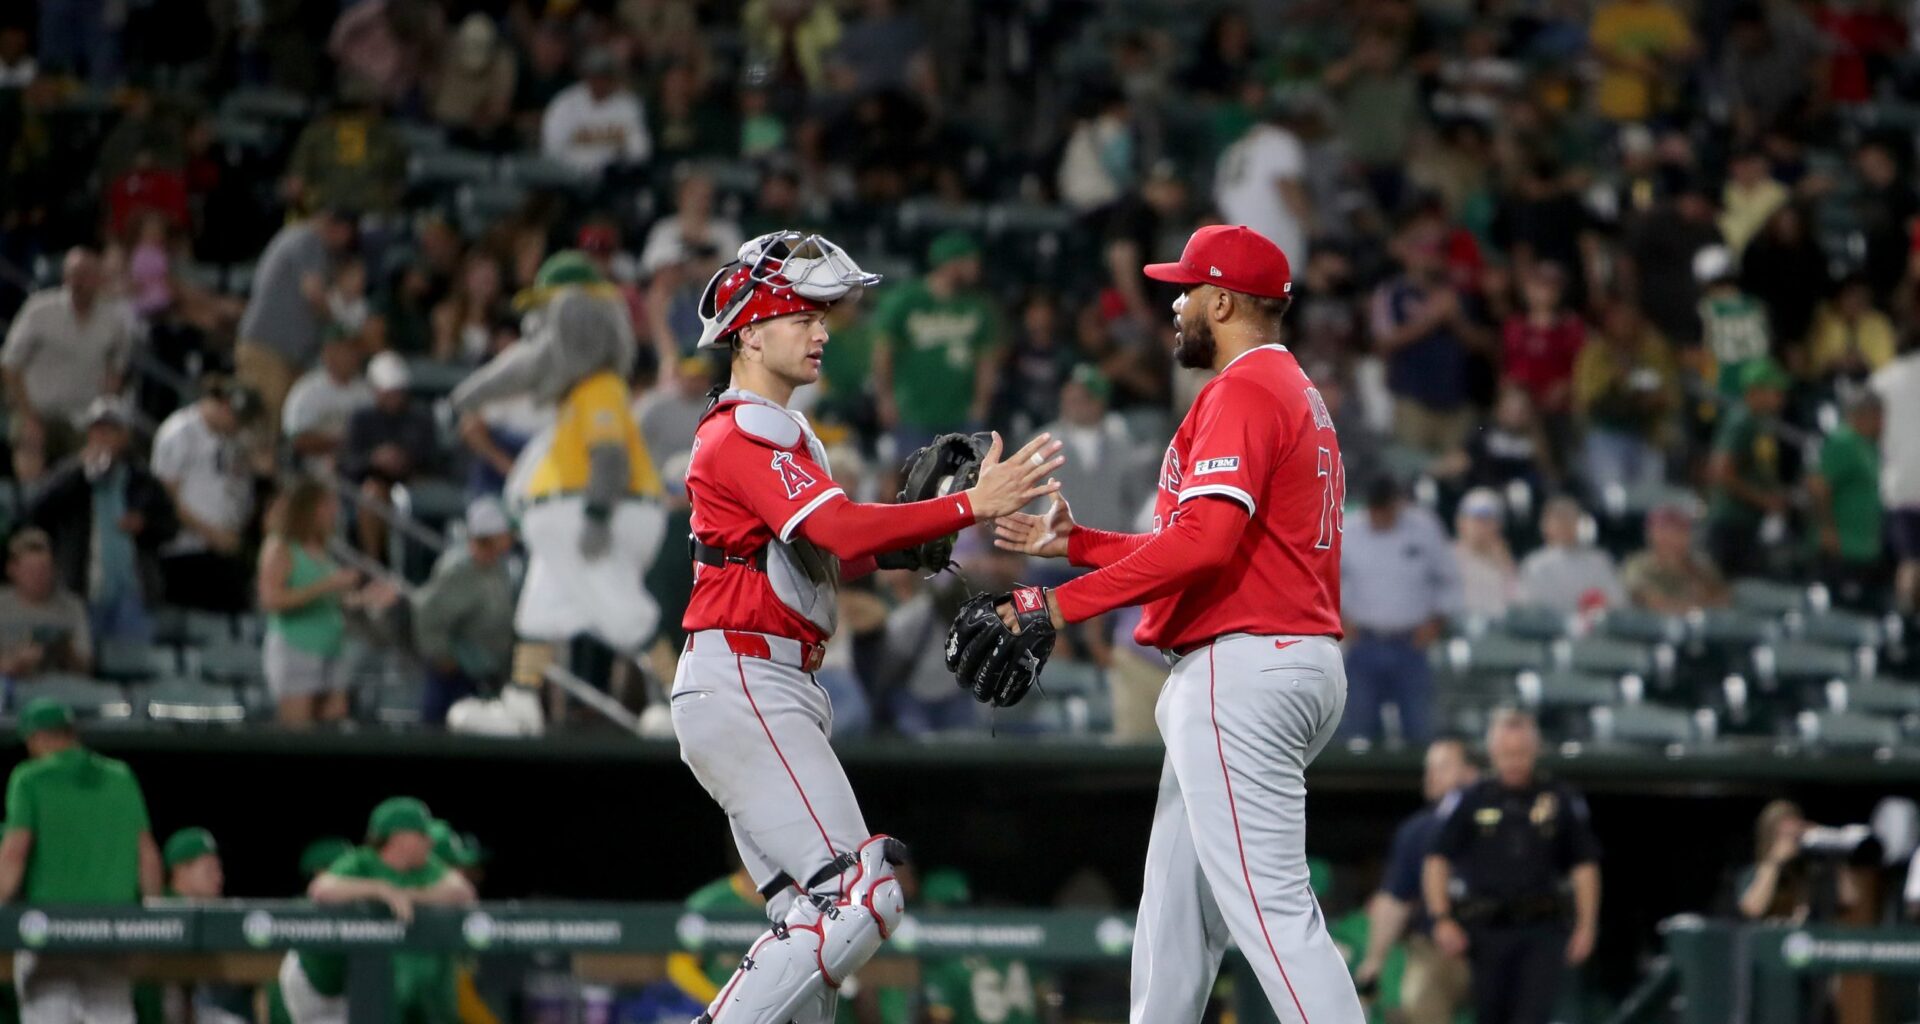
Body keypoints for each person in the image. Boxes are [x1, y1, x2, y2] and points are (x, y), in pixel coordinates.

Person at [671, 230, 1061, 1023]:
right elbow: (842, 533)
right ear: (750, 328)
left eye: (825, 315)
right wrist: (967, 507)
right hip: (745, 678)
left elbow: (832, 553)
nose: (823, 331)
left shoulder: (780, 430)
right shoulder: (744, 430)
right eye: (803, 314)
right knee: (865, 894)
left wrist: (916, 539)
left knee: (816, 932)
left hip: (769, 680)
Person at [992, 224, 1368, 1021]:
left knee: (1273, 917)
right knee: (1174, 920)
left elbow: (1203, 547)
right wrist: (1079, 546)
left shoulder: (1241, 391)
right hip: (1273, 656)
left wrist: (1055, 605)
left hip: (1246, 670)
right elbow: (1208, 544)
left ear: (1224, 300)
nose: (1175, 303)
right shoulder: (1290, 390)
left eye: (1188, 288)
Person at [1424, 710, 1601, 1024]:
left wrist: (1586, 925)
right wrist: (1442, 918)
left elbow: (1584, 865)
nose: (1515, 762)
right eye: (1507, 753)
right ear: (1493, 753)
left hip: (1543, 930)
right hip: (1485, 932)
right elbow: (1437, 860)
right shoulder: (1471, 800)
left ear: (1535, 751)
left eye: (1522, 753)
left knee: (1532, 1016)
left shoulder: (1559, 799)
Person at [0, 698, 163, 1024]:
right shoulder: (120, 776)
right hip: (112, 933)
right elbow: (147, 855)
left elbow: (15, 852)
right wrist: (154, 919)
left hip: (48, 935)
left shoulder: (30, 778)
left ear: (39, 738)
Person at [278, 797, 477, 1024]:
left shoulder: (425, 867)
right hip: (316, 979)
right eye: (421, 834)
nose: (429, 841)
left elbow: (463, 893)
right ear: (400, 838)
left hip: (351, 984)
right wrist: (381, 891)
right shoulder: (362, 862)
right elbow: (320, 890)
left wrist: (410, 896)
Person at [25, 397, 178, 645]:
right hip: (81, 592)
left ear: (124, 436)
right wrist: (78, 470)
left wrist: (145, 524)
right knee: (82, 669)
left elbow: (170, 527)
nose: (103, 437)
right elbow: (37, 511)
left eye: (110, 430)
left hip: (133, 593)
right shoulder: (70, 474)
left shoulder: (142, 480)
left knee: (135, 666)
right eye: (97, 430)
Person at [1354, 738, 1478, 1024]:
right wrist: (1374, 959)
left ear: (1471, 772)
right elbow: (1394, 898)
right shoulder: (1418, 830)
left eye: (1444, 767)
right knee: (1417, 995)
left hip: (1496, 941)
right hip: (1437, 946)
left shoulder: (1497, 820)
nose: (1432, 776)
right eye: (1429, 769)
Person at [1339, 476, 1463, 744]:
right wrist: (1342, 621)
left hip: (1411, 646)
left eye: (1385, 509)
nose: (1380, 516)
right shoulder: (1349, 530)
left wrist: (1436, 623)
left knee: (1420, 732)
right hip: (1363, 644)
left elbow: (1450, 581)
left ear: (1397, 505)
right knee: (1357, 736)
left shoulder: (1424, 528)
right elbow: (1325, 582)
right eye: (1375, 510)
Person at [257, 477, 387, 726]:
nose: (334, 512)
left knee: (334, 724)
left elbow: (331, 601)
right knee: (298, 729)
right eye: (326, 506)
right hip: (296, 648)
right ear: (307, 509)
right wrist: (327, 585)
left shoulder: (322, 550)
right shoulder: (280, 547)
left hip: (332, 649)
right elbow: (270, 600)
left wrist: (366, 599)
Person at [1, 248, 134, 482]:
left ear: (99, 278)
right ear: (65, 276)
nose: (80, 281)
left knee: (103, 454)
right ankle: (29, 509)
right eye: (75, 274)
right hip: (35, 412)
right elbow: (10, 364)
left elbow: (117, 369)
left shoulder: (113, 321)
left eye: (87, 274)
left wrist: (104, 415)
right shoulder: (40, 309)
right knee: (29, 442)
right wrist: (27, 414)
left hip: (84, 418)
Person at [871, 232, 1002, 457]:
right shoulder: (906, 300)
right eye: (970, 261)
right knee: (912, 481)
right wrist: (885, 398)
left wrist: (980, 405)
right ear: (951, 263)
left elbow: (987, 361)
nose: (976, 268)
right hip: (912, 411)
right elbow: (883, 352)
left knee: (964, 481)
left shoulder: (978, 306)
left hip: (961, 412)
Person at [236, 210, 359, 434]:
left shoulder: (300, 238)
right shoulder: (309, 239)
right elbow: (314, 293)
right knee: (262, 423)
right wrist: (343, 322)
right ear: (339, 227)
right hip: (268, 347)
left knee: (281, 425)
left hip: (283, 351)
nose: (344, 243)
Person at [151, 377, 259, 613]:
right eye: (235, 416)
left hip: (225, 550)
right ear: (222, 405)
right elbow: (166, 498)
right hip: (186, 552)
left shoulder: (232, 441)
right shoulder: (180, 432)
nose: (238, 424)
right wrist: (212, 534)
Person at [411, 498, 517, 725]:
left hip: (485, 675)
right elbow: (429, 616)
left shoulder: (499, 569)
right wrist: (443, 657)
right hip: (454, 677)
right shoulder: (458, 570)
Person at [1572, 301, 1679, 493]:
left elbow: (1670, 394)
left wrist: (1649, 398)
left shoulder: (1653, 349)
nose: (1624, 325)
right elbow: (1589, 398)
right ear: (1607, 324)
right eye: (1618, 320)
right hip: (1606, 432)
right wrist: (1620, 383)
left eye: (1629, 320)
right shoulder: (1596, 352)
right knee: (1613, 496)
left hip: (1648, 433)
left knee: (1648, 496)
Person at [341, 353, 439, 558]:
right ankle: (373, 561)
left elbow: (433, 457)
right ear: (376, 391)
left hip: (413, 480)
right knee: (372, 493)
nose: (394, 398)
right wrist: (374, 459)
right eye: (388, 393)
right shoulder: (361, 419)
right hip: (374, 480)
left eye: (398, 393)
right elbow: (348, 464)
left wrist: (405, 459)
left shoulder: (420, 417)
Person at [1705, 359, 1790, 577]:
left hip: (1749, 522)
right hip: (1730, 523)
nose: (1780, 398)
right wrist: (1763, 500)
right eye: (1775, 391)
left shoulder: (1761, 422)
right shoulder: (1741, 420)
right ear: (1756, 391)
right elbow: (1721, 471)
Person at [1213, 94, 1311, 271]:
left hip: (1236, 246)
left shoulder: (1234, 150)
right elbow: (1289, 189)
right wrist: (1315, 233)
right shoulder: (1281, 140)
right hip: (1273, 243)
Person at [1807, 391, 1886, 609]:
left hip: (1864, 546)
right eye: (1878, 417)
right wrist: (1826, 529)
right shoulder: (1843, 441)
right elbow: (1818, 486)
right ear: (1863, 415)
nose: (1882, 424)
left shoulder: (1868, 446)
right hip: (1843, 545)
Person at [540, 47, 650, 175]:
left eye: (604, 75)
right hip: (571, 177)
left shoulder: (629, 104)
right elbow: (551, 150)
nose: (600, 81)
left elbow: (641, 151)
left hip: (613, 178)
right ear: (586, 75)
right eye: (595, 74)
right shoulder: (565, 103)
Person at [0, 529, 92, 682]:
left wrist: (66, 651)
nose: (38, 577)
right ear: (12, 569)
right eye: (30, 571)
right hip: (10, 687)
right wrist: (14, 663)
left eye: (43, 570)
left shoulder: (73, 607)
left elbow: (86, 668)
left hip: (61, 688)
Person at [1870, 336, 1920, 613]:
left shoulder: (1884, 378)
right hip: (1903, 486)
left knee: (1910, 563)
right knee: (1911, 565)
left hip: (1900, 489)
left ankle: (1906, 630)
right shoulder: (1886, 378)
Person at [282, 329, 373, 472]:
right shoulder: (307, 390)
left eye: (355, 350)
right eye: (345, 350)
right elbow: (297, 439)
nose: (353, 356)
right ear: (328, 354)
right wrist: (341, 442)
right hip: (315, 471)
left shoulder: (366, 390)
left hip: (359, 468)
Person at [1517, 497, 1625, 615]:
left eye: (1570, 518)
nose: (1566, 525)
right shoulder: (1535, 564)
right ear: (1545, 526)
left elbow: (1618, 601)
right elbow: (1533, 606)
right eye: (1559, 519)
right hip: (1551, 629)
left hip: (1597, 628)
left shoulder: (1599, 560)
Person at [1621, 503, 1729, 613]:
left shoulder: (1701, 565)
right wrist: (1697, 608)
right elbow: (1655, 605)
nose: (1670, 537)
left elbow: (1723, 601)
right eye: (1663, 529)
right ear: (1651, 534)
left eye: (1678, 529)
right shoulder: (1638, 565)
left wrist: (1691, 572)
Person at [1455, 488, 1518, 618]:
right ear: (1461, 522)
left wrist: (1503, 564)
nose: (1481, 526)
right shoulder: (1447, 557)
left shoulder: (1505, 559)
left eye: (1488, 520)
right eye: (1476, 519)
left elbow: (1516, 602)